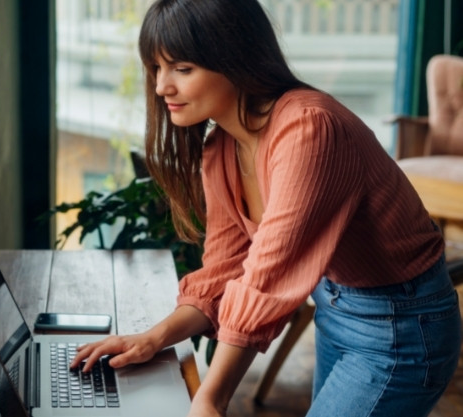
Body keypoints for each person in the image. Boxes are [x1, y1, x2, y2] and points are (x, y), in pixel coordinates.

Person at [70, 0, 462, 416]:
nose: (162, 87)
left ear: (237, 58)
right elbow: (223, 271)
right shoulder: (220, 150)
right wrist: (152, 338)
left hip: (400, 327)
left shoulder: (309, 130)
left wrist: (211, 399)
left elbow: (264, 278)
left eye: (182, 69)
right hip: (336, 311)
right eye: (156, 68)